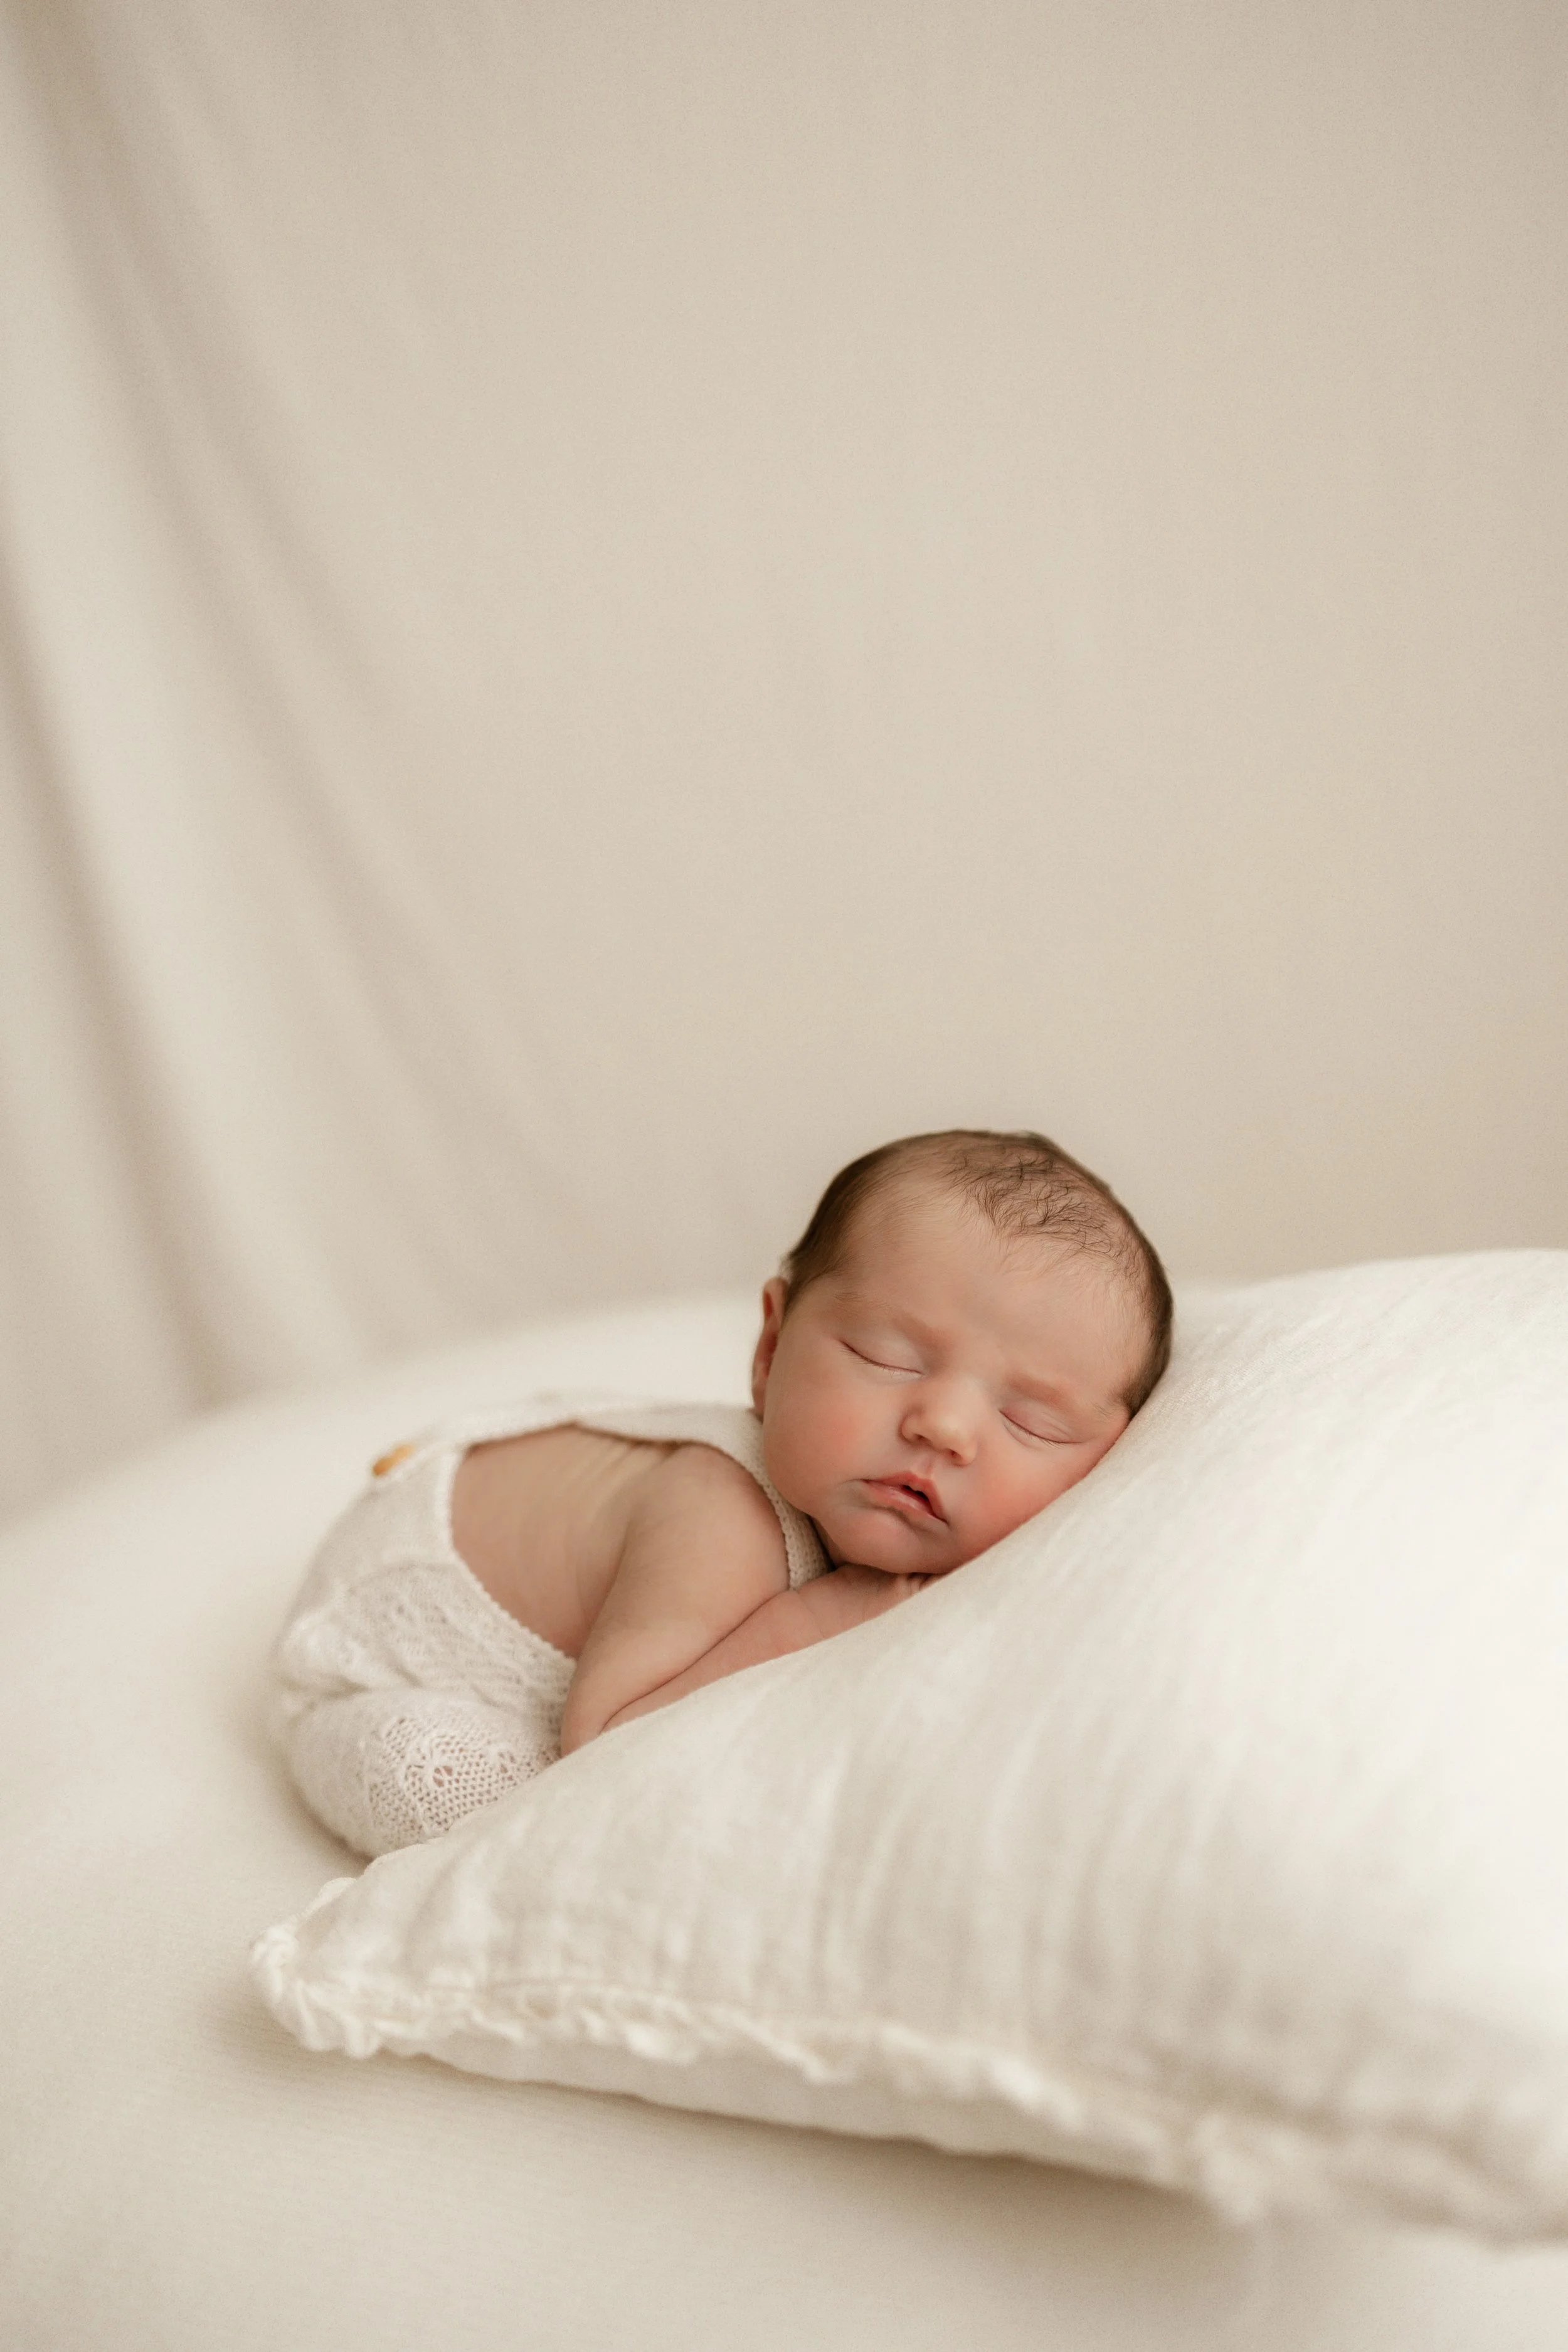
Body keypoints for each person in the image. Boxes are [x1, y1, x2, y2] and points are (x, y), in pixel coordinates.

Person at [270, 1129, 1172, 1857]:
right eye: (887, 1359)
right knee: (485, 1793)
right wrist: (808, 1625)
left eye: (1033, 1422)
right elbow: (609, 1744)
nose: (945, 1425)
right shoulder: (723, 1515)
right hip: (372, 1650)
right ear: (771, 1350)